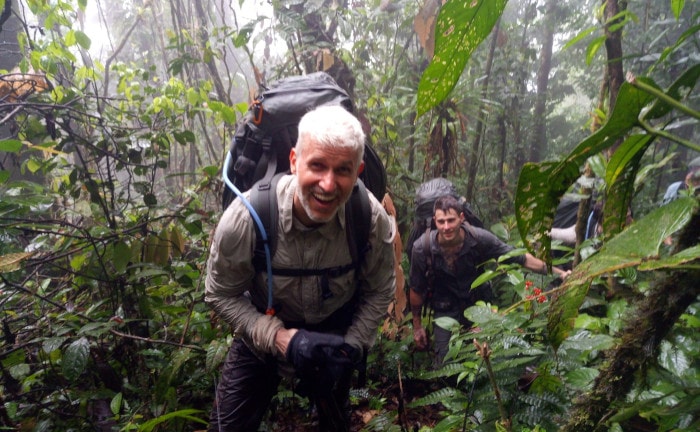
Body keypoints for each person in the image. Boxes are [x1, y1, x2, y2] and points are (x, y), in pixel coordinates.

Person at [205, 105, 397, 431]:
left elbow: (380, 290)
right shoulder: (247, 217)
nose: (328, 184)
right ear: (294, 161)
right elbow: (219, 293)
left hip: (335, 339)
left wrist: (350, 349)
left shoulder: (368, 218)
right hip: (261, 337)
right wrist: (280, 339)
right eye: (317, 166)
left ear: (358, 172)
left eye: (343, 170)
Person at [409, 195, 570, 366]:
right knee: (444, 363)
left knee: (490, 358)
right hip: (445, 309)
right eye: (441, 222)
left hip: (480, 306)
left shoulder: (479, 239)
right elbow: (416, 289)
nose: (446, 227)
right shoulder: (422, 248)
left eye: (451, 220)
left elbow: (520, 258)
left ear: (461, 218)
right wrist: (417, 327)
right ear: (435, 221)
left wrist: (560, 273)